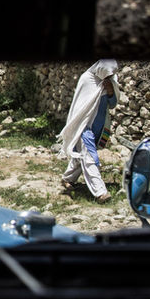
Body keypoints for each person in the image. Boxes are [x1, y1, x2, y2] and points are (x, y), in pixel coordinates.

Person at [58, 59, 120, 203]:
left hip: (99, 126)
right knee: (89, 155)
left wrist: (110, 90)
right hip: (84, 125)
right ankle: (100, 192)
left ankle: (67, 178)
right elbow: (80, 105)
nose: (109, 77)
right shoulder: (87, 79)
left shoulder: (111, 80)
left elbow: (113, 104)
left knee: (82, 155)